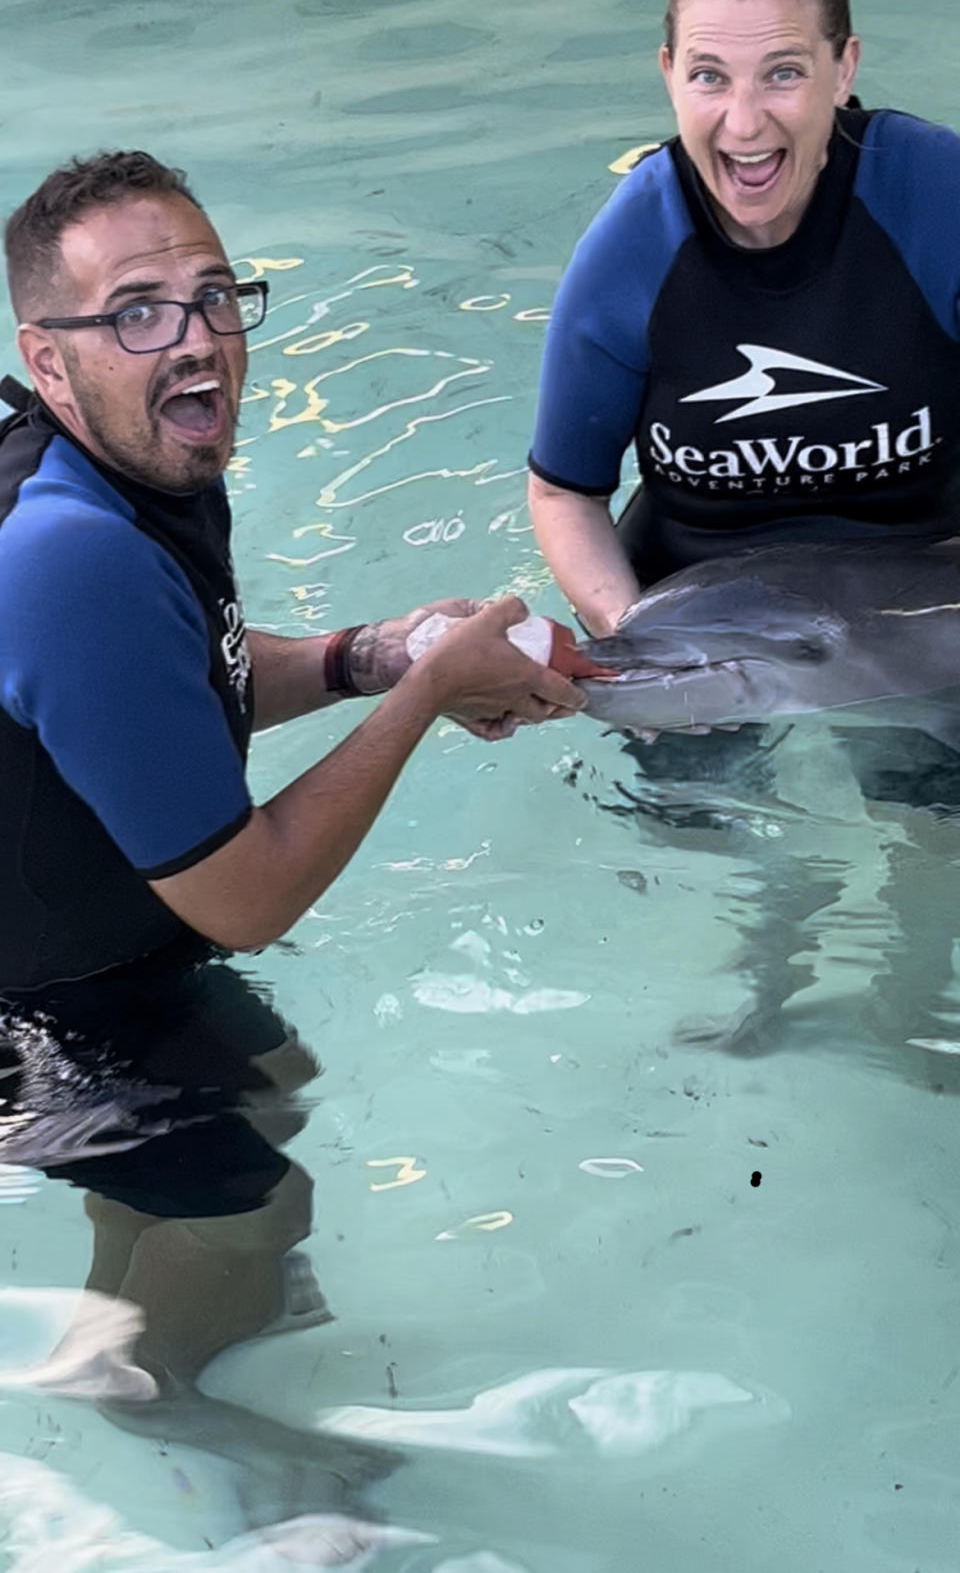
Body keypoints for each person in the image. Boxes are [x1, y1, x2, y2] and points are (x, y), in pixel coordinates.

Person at [0, 149, 586, 995]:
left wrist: (362, 658)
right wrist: (426, 694)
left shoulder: (127, 464)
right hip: (52, 1047)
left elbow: (171, 679)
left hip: (109, 958)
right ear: (48, 362)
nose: (198, 339)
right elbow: (250, 902)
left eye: (213, 297)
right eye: (137, 314)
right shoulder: (71, 560)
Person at [527, 0, 960, 639]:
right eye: (709, 75)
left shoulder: (933, 195)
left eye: (784, 72)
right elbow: (564, 494)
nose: (744, 120)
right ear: (668, 73)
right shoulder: (635, 244)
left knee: (921, 766)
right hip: (696, 598)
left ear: (845, 67)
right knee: (678, 756)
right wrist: (636, 635)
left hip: (927, 585)